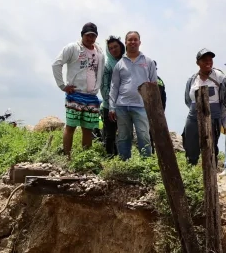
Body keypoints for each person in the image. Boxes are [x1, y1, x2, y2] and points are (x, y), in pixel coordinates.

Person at [52, 22, 105, 157]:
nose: (90, 38)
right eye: (88, 35)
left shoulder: (99, 52)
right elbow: (56, 64)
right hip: (75, 94)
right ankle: (67, 157)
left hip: (91, 96)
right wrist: (62, 85)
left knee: (88, 129)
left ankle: (85, 159)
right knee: (70, 127)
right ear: (82, 35)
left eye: (93, 35)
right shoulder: (73, 48)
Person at [108, 31, 157, 160]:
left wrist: (153, 107)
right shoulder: (120, 64)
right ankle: (124, 165)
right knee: (124, 137)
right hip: (122, 106)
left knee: (144, 136)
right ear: (126, 43)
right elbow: (114, 87)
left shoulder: (148, 61)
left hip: (141, 106)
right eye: (130, 40)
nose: (133, 42)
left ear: (140, 42)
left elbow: (154, 85)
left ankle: (146, 165)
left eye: (135, 40)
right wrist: (112, 107)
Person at [182, 49, 226, 166]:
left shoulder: (220, 77)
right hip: (193, 116)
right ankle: (191, 171)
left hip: (213, 116)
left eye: (210, 60)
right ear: (198, 62)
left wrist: (219, 115)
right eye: (204, 60)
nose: (208, 62)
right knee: (190, 143)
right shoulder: (192, 79)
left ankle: (211, 174)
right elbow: (188, 99)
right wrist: (196, 110)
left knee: (210, 146)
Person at [100, 35, 125, 157]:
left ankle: (122, 159)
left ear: (121, 47)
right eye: (110, 48)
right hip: (109, 106)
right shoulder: (107, 66)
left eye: (116, 47)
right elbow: (104, 87)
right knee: (110, 134)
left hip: (125, 105)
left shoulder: (127, 62)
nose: (114, 50)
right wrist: (110, 104)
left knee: (124, 134)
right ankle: (109, 158)